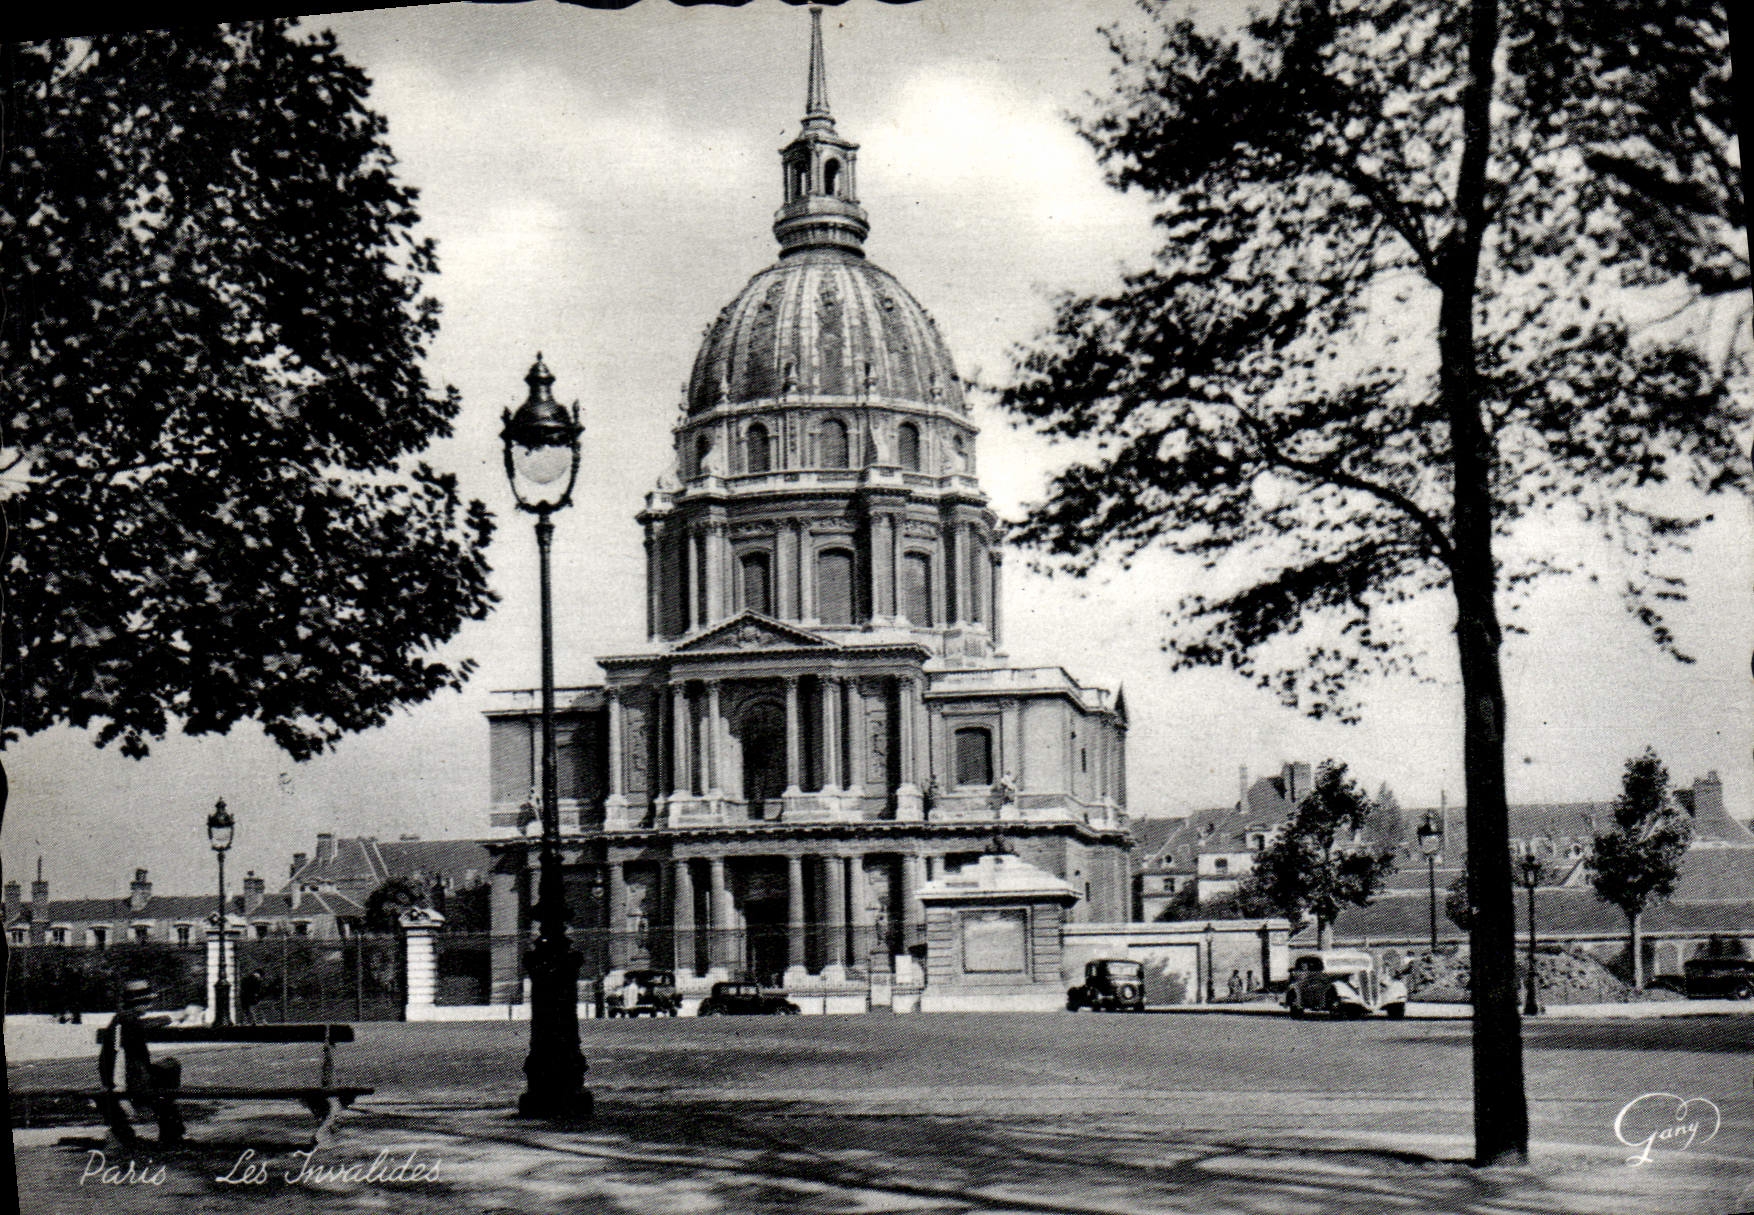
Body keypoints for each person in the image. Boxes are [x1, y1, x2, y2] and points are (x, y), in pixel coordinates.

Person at [99, 979, 185, 1148]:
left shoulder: (120, 1018)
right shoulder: (129, 1020)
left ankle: (171, 1129)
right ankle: (171, 1131)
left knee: (167, 1068)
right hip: (131, 1082)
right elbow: (143, 1026)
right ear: (140, 1003)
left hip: (116, 1079)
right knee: (170, 1071)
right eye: (146, 1003)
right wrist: (168, 1018)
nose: (148, 1007)